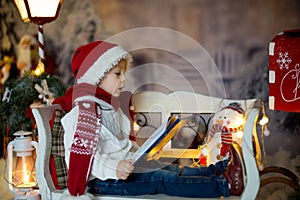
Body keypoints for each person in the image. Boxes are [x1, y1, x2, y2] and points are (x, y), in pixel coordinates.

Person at [57, 41, 245, 199]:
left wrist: (143, 153)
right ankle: (225, 186)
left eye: (124, 74)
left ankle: (217, 171)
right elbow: (84, 157)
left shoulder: (110, 107)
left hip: (126, 171)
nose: (123, 80)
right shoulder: (84, 113)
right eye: (117, 74)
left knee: (172, 169)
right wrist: (115, 167)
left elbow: (121, 145)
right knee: (160, 178)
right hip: (105, 182)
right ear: (96, 76)